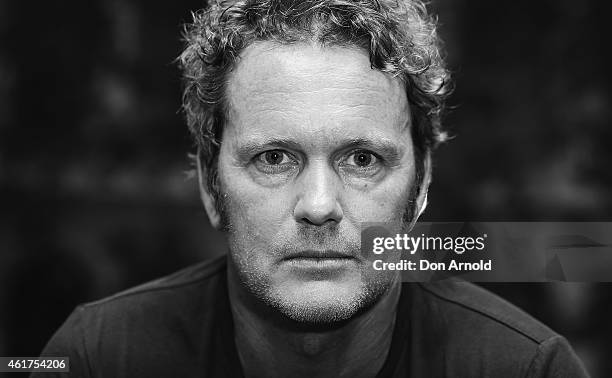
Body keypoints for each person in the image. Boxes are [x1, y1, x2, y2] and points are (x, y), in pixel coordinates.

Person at [35, 0, 589, 377]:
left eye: (363, 159)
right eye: (274, 158)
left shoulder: (525, 369)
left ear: (420, 187)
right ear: (210, 184)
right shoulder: (98, 357)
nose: (319, 206)